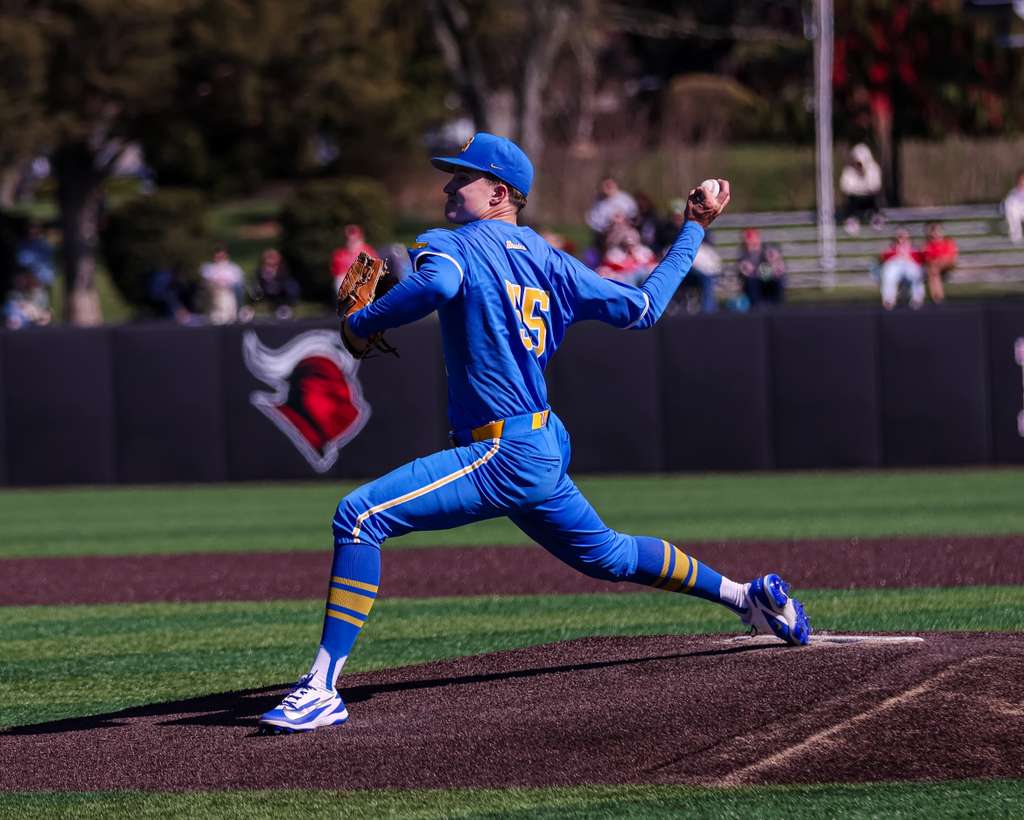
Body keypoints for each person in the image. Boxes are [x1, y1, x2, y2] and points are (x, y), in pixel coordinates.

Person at [257, 132, 812, 735]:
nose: (447, 185)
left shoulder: (454, 243)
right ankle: (747, 596)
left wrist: (362, 322)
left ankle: (320, 687)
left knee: (359, 517)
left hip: (503, 451)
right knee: (611, 555)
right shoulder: (550, 258)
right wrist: (694, 228)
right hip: (541, 441)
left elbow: (439, 285)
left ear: (499, 193)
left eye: (459, 178)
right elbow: (644, 307)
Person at [838, 143, 883, 235]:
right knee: (849, 204)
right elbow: (845, 187)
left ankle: (876, 219)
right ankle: (852, 221)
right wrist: (862, 189)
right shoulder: (849, 170)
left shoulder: (874, 169)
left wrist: (859, 188)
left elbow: (875, 186)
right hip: (854, 200)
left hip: (870, 199)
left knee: (875, 201)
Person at [736, 229, 786, 308]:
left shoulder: (766, 250)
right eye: (748, 242)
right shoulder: (744, 256)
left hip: (768, 281)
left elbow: (778, 265)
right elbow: (744, 270)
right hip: (754, 283)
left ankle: (777, 307)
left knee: (778, 280)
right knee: (751, 281)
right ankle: (756, 307)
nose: (750, 244)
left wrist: (774, 263)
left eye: (752, 240)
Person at [878, 229, 925, 310]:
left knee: (916, 274)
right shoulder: (891, 248)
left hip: (910, 263)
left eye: (904, 236)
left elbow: (920, 259)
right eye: (899, 236)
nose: (902, 239)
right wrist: (894, 252)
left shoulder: (914, 248)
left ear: (908, 238)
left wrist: (909, 255)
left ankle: (917, 299)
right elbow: (884, 259)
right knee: (888, 274)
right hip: (895, 263)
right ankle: (889, 300)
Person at [249, 248, 300, 320]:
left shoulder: (283, 272)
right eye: (267, 264)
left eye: (273, 265)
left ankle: (286, 308)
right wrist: (263, 279)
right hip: (265, 294)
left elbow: (287, 287)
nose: (269, 268)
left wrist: (275, 279)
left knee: (291, 285)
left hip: (281, 296)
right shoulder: (259, 273)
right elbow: (255, 291)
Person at [199, 245, 245, 325]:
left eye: (222, 256)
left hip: (230, 291)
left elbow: (238, 282)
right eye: (218, 256)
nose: (220, 258)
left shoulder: (234, 268)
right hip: (215, 293)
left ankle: (237, 313)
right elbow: (207, 281)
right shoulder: (208, 268)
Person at [331, 225, 377, 294]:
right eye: (348, 239)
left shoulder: (368, 251)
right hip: (347, 287)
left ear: (361, 239)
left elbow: (376, 270)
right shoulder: (339, 255)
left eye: (355, 240)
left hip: (366, 284)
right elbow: (338, 277)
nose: (351, 242)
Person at [921, 222, 958, 304]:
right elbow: (927, 259)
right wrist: (934, 261)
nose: (936, 233)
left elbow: (951, 256)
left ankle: (937, 298)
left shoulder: (948, 241)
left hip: (948, 263)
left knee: (933, 269)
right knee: (933, 271)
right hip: (935, 266)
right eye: (934, 231)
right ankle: (938, 298)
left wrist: (938, 260)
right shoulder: (928, 244)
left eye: (938, 230)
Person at [1004, 170, 1024, 245]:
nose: (1023, 182)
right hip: (1015, 210)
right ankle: (1016, 237)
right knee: (1011, 204)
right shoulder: (1013, 193)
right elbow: (1008, 207)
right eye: (1022, 180)